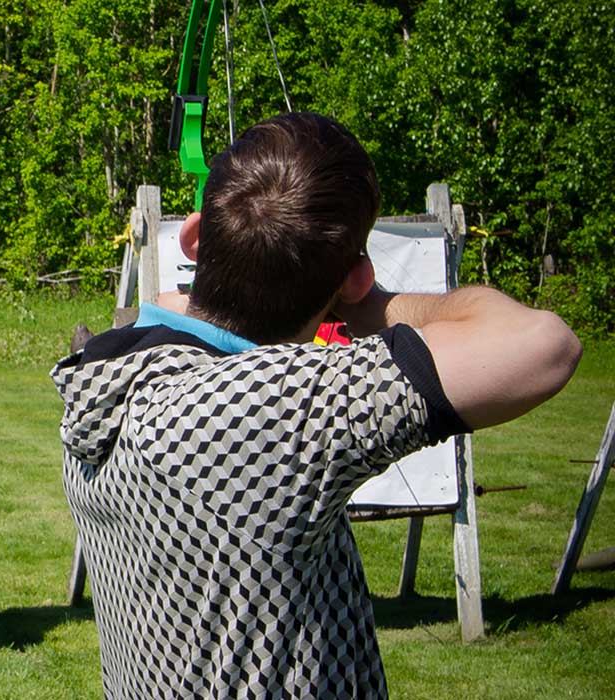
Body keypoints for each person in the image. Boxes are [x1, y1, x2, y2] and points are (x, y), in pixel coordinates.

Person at [53, 112, 581, 698]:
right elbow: (545, 345)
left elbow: (176, 308)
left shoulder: (111, 372)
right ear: (352, 279)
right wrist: (368, 303)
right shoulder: (269, 408)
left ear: (194, 239)